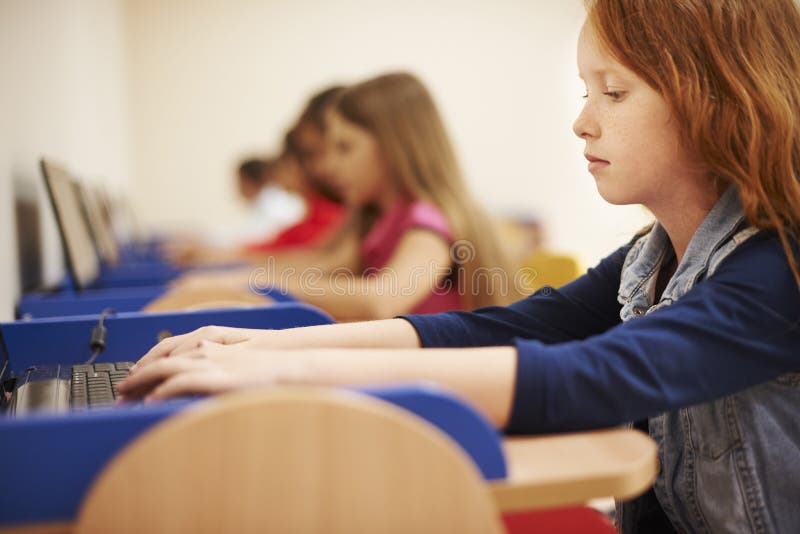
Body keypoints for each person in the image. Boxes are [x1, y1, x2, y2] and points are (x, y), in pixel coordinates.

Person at [118, 1, 800, 531]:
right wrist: (258, 345)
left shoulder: (778, 271)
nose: (582, 122)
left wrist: (281, 374)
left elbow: (590, 375)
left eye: (613, 93)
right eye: (584, 92)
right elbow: (499, 328)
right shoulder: (650, 259)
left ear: (714, 98)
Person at [170, 72, 511, 319]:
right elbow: (321, 265)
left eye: (345, 148)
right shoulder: (379, 218)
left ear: (394, 149)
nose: (330, 166)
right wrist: (238, 279)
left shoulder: (427, 222)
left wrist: (260, 284)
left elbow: (381, 300)